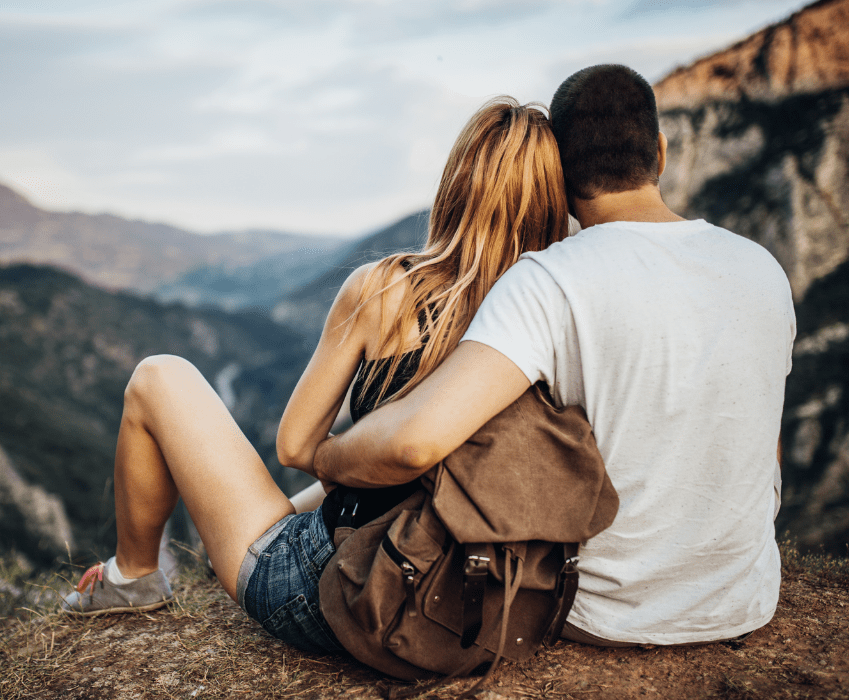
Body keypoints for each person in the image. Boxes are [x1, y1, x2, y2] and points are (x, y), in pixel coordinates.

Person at [61, 96, 570, 655]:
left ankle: (133, 575)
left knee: (158, 376)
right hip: (473, 592)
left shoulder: (385, 289)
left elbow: (296, 444)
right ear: (552, 203)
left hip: (342, 591)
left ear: (455, 186)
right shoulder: (555, 313)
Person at [311, 64, 795, 647]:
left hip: (601, 615)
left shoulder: (550, 279)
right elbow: (769, 457)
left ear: (558, 173)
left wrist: (328, 458)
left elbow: (418, 441)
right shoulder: (763, 269)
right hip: (741, 599)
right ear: (660, 154)